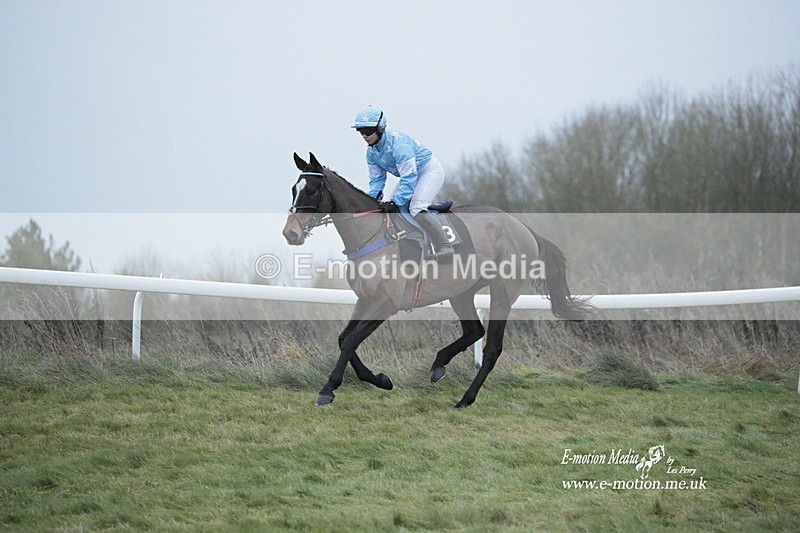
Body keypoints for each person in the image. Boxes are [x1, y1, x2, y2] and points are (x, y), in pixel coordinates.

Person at [351, 105, 454, 258]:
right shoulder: (371, 152)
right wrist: (372, 201)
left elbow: (409, 178)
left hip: (428, 171)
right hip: (410, 176)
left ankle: (445, 246)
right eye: (360, 132)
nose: (364, 136)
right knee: (393, 211)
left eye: (367, 131)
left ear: (380, 128)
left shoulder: (399, 145)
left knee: (416, 207)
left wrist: (395, 201)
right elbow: (377, 180)